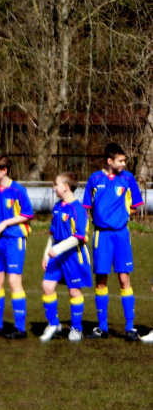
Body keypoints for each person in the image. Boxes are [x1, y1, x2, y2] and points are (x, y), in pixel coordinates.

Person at [83, 142, 143, 341]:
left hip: (121, 235)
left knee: (124, 278)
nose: (124, 164)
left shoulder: (128, 179)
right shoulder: (94, 179)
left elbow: (136, 205)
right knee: (101, 279)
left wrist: (125, 212)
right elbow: (86, 207)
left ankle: (130, 327)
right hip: (101, 235)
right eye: (121, 161)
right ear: (109, 161)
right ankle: (102, 327)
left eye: (125, 160)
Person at [0, 155, 34, 339]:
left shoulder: (18, 190)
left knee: (14, 282)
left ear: (4, 170)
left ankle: (20, 328)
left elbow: (27, 214)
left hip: (14, 239)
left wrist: (4, 224)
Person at [40, 172, 92, 343]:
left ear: (66, 187)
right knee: (47, 286)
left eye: (56, 184)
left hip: (73, 255)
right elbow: (53, 233)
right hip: (56, 254)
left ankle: (77, 328)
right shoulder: (57, 206)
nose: (54, 187)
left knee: (74, 291)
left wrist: (59, 248)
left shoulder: (79, 209)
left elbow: (79, 236)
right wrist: (47, 253)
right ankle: (54, 324)